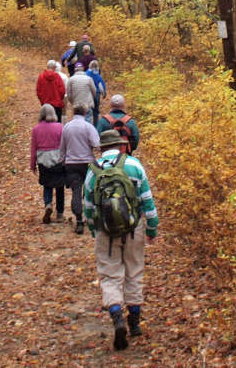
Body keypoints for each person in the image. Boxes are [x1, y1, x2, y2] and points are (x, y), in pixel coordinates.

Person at [84, 129, 159, 351]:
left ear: (102, 148)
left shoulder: (93, 171)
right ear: (121, 145)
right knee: (134, 271)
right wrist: (152, 228)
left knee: (109, 274)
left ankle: (116, 315)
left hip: (105, 232)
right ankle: (134, 322)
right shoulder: (134, 165)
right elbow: (147, 200)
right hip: (133, 228)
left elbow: (88, 208)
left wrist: (93, 230)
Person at [59, 104, 100, 234]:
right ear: (85, 113)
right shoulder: (88, 127)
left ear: (73, 113)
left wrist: (62, 162)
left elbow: (62, 148)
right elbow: (97, 144)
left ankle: (79, 220)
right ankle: (91, 217)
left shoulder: (67, 127)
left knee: (76, 192)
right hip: (87, 163)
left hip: (71, 164)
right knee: (90, 190)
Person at [31, 104, 66, 224]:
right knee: (60, 186)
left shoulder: (36, 129)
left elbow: (33, 148)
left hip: (43, 159)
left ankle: (48, 204)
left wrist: (33, 164)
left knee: (47, 184)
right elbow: (64, 145)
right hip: (58, 159)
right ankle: (60, 213)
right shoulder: (60, 127)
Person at [85, 60, 107, 126]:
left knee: (88, 111)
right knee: (96, 111)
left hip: (88, 93)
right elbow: (101, 86)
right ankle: (96, 126)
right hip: (97, 94)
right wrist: (104, 93)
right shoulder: (98, 76)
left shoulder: (86, 74)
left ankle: (87, 125)